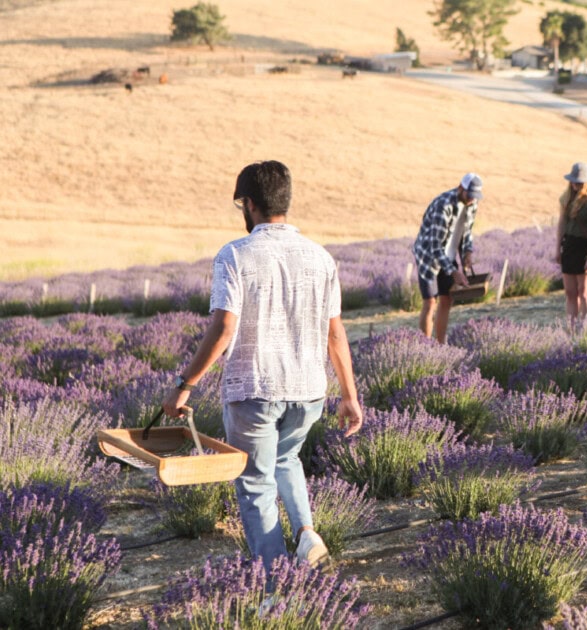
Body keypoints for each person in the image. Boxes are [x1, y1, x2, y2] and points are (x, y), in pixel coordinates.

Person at [161, 160, 363, 570]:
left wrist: (185, 383)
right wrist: (349, 395)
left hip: (254, 388)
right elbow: (336, 333)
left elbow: (223, 328)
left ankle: (275, 585)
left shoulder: (235, 255)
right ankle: (306, 535)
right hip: (309, 391)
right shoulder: (321, 258)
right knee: (287, 459)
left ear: (249, 205)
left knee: (254, 482)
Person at [412, 172, 483, 343]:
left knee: (447, 299)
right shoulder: (443, 206)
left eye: (475, 197)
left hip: (448, 253)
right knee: (430, 302)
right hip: (428, 256)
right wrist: (454, 272)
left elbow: (467, 232)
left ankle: (440, 346)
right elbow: (435, 246)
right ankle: (425, 347)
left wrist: (467, 253)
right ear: (461, 188)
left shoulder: (473, 204)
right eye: (469, 195)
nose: (472, 200)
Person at [555, 162, 587, 328]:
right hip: (569, 246)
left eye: (578, 182)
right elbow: (561, 224)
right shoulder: (567, 198)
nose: (575, 184)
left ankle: (585, 330)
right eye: (573, 181)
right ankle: (572, 331)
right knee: (570, 293)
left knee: (584, 293)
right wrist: (557, 248)